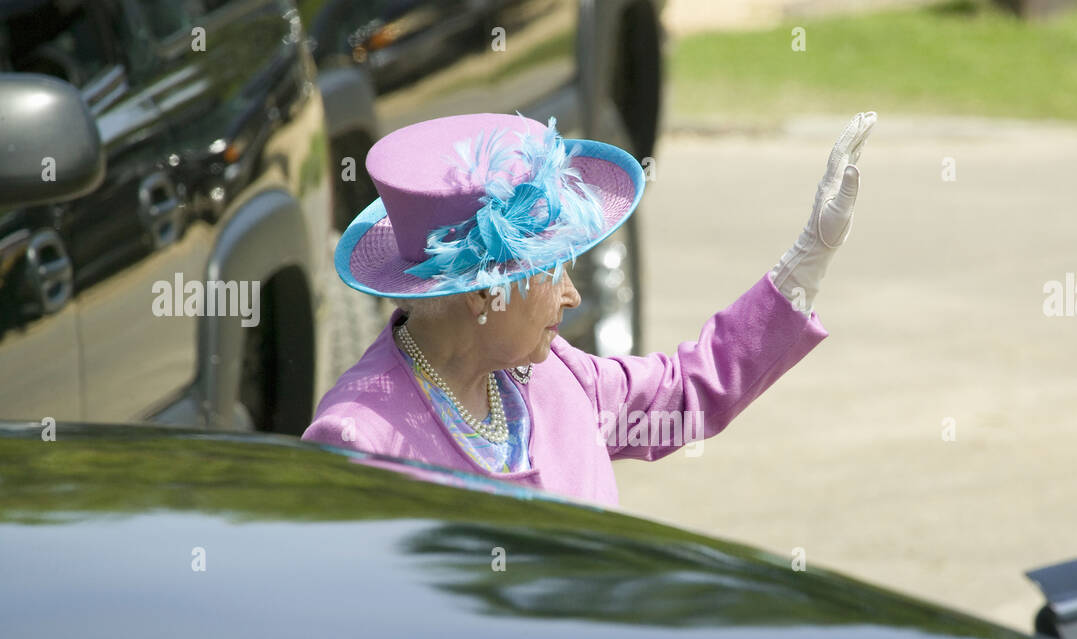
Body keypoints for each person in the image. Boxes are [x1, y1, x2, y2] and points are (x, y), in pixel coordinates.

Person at [303, 111, 876, 505]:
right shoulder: (358, 439)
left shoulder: (559, 377)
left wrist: (808, 260)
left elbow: (689, 392)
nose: (573, 296)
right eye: (551, 273)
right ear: (482, 293)